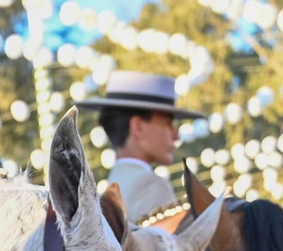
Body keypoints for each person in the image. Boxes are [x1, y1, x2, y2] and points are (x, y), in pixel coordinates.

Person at [76, 71, 204, 222]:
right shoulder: (150, 186)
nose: (176, 135)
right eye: (168, 123)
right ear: (138, 127)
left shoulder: (114, 184)